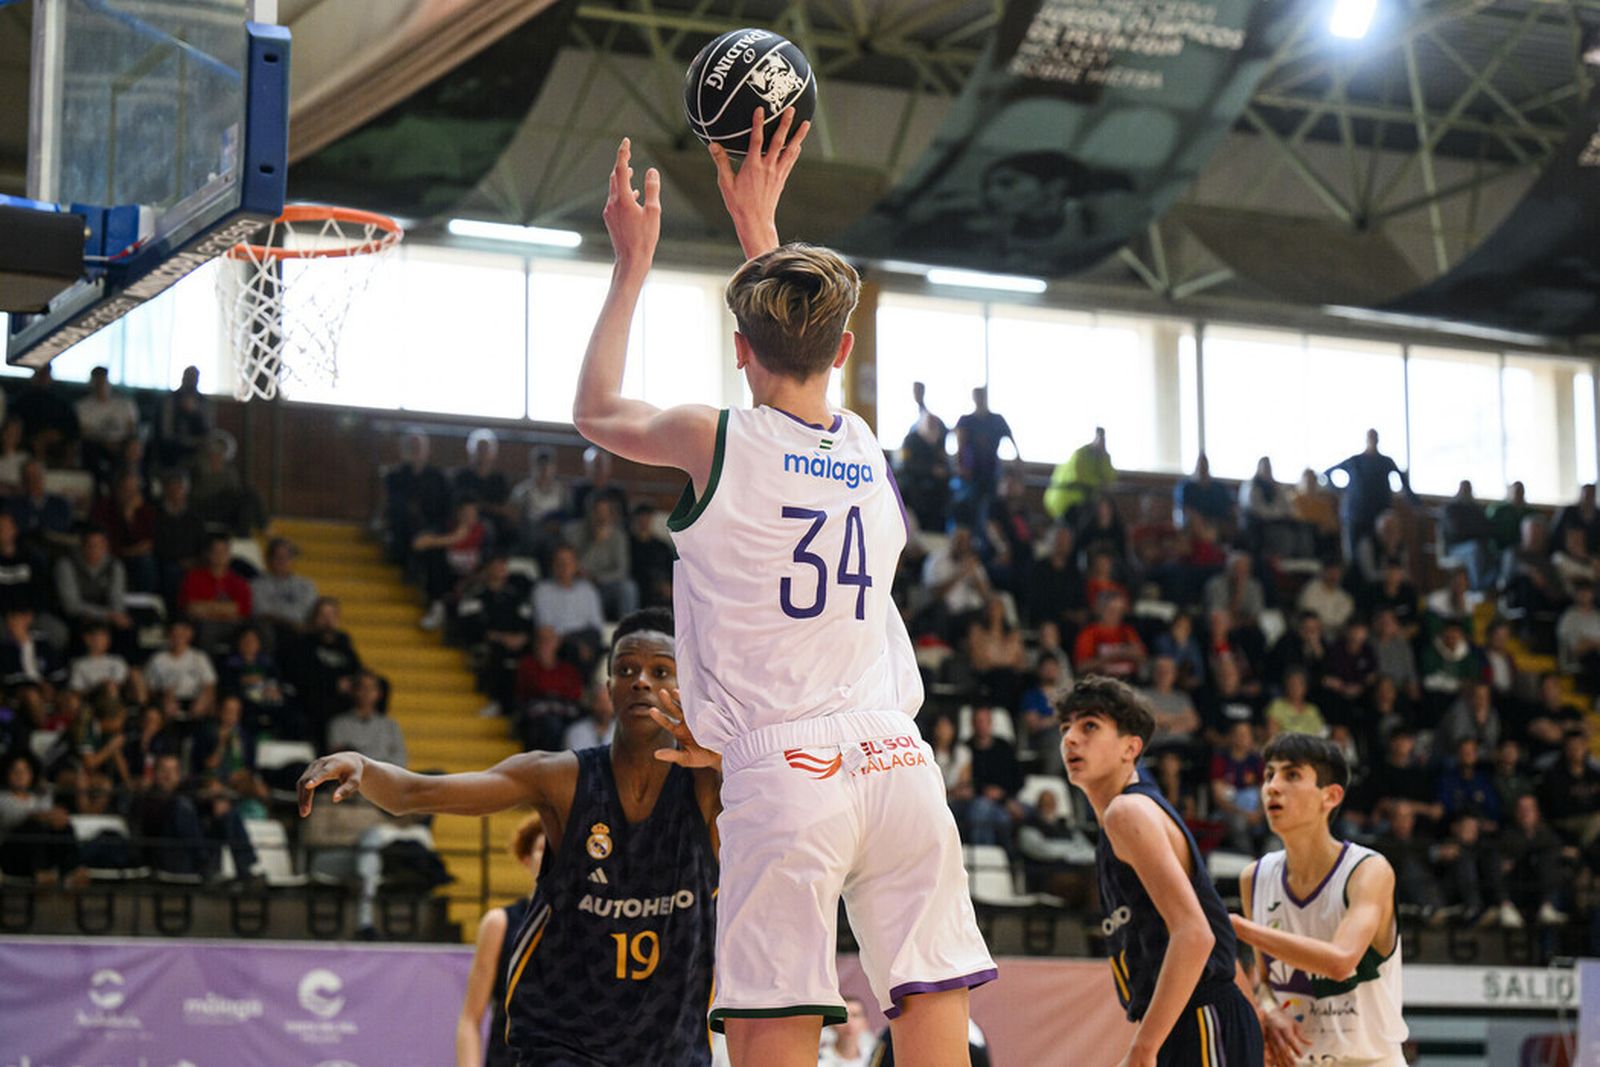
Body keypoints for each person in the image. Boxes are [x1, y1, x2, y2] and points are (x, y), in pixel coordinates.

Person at [562, 118, 993, 1065]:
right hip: (898, 760)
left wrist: (632, 262)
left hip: (788, 772)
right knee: (931, 1016)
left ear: (736, 347)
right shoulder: (864, 444)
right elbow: (801, 348)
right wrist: (762, 224)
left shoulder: (712, 440)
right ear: (843, 353)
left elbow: (595, 410)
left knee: (772, 1028)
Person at [299, 609, 720, 1066]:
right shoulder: (562, 778)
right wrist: (366, 767)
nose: (640, 680)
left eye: (660, 670)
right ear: (607, 689)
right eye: (625, 669)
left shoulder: (711, 786)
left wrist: (721, 757)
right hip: (564, 1042)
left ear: (686, 688)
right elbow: (416, 792)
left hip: (670, 1048)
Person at [1056, 677, 1263, 1066]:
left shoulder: (1128, 812)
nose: (1070, 738)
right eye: (1065, 727)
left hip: (1201, 1017)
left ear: (1130, 748)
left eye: (1089, 726)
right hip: (1200, 1016)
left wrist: (1144, 1048)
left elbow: (1196, 934)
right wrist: (1256, 1019)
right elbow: (1212, 922)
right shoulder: (1126, 820)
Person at [1231, 733, 1407, 1067]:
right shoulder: (1254, 878)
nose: (1272, 786)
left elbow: (1340, 962)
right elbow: (1265, 981)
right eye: (1269, 775)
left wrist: (1239, 928)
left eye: (1292, 775)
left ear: (1331, 796)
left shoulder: (1368, 871)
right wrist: (1270, 1012)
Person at [456, 812, 547, 1067]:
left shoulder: (593, 922)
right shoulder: (500, 923)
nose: (552, 856)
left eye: (558, 848)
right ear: (526, 858)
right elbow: (471, 1019)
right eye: (542, 848)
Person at [1325, 429, 1413, 564]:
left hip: (1379, 517)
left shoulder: (1386, 462)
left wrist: (1414, 501)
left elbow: (1404, 483)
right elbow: (1328, 473)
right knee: (1354, 556)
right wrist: (1340, 491)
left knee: (1380, 553)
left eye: (1375, 437)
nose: (1373, 440)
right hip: (1356, 516)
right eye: (1370, 437)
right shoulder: (1355, 461)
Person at [1043, 427, 1115, 522]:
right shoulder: (1081, 454)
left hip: (1086, 500)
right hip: (1066, 500)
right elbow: (1081, 478)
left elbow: (1110, 478)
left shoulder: (1103, 456)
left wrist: (1104, 457)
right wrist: (1100, 484)